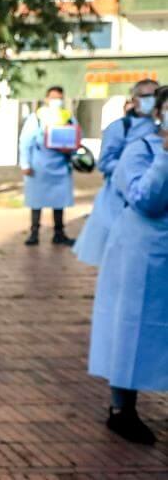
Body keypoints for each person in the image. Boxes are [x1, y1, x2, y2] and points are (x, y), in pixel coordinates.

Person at [87, 85, 168, 445]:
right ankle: (122, 410)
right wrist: (166, 157)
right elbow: (144, 200)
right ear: (158, 114)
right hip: (142, 252)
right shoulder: (141, 149)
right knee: (132, 326)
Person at [73, 79, 159, 265]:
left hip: (152, 194)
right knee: (115, 255)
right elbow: (104, 162)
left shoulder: (160, 127)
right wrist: (130, 169)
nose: (151, 100)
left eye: (155, 95)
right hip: (119, 198)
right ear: (134, 100)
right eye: (146, 96)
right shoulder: (119, 128)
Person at [19, 86, 80, 246]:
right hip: (39, 166)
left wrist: (73, 155)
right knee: (36, 201)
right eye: (53, 98)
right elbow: (25, 142)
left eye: (59, 98)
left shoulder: (68, 118)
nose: (56, 101)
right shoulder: (36, 117)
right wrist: (25, 163)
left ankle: (59, 233)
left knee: (59, 201)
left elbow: (76, 139)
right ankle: (34, 233)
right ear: (46, 99)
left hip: (60, 165)